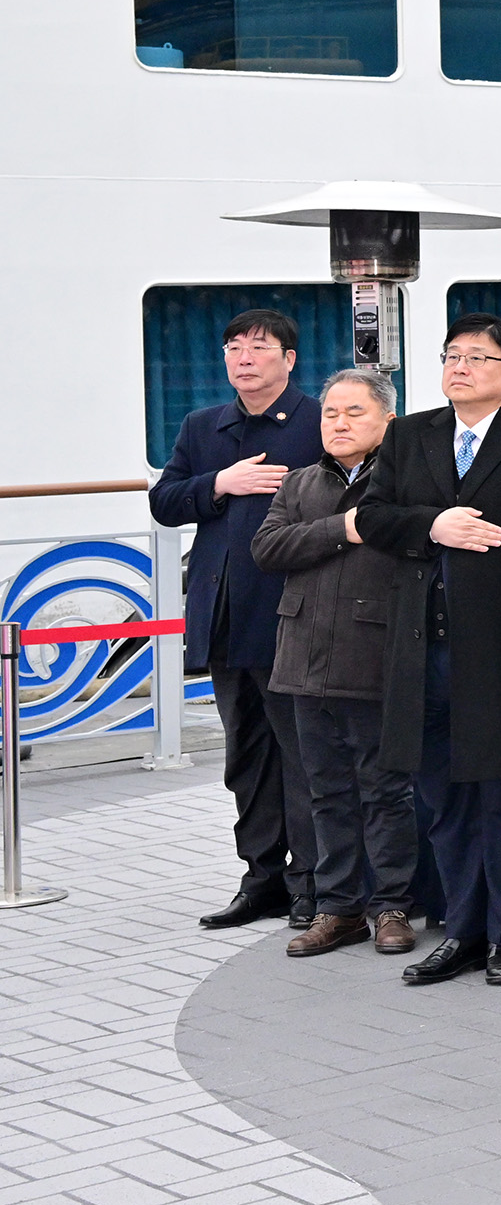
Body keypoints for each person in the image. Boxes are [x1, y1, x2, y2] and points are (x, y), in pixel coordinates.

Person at [354, 314, 501, 989]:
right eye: (452, 356)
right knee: (443, 804)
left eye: (478, 358)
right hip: (423, 647)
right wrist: (435, 525)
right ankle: (463, 931)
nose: (460, 367)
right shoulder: (408, 432)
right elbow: (372, 518)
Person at [150, 308, 324, 931]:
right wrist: (220, 481)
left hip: (292, 616)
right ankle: (262, 878)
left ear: (289, 359)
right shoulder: (204, 427)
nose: (244, 357)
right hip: (224, 615)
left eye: (259, 346)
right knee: (245, 753)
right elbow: (165, 502)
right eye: (233, 346)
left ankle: (311, 881)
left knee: (302, 754)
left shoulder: (314, 422)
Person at [250, 368, 422, 959]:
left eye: (354, 412)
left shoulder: (407, 482)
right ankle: (337, 908)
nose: (339, 423)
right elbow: (268, 548)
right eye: (330, 413)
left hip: (375, 656)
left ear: (387, 422)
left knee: (385, 790)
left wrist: (337, 531)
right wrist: (344, 528)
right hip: (302, 660)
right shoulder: (300, 483)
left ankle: (392, 906)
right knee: (324, 792)